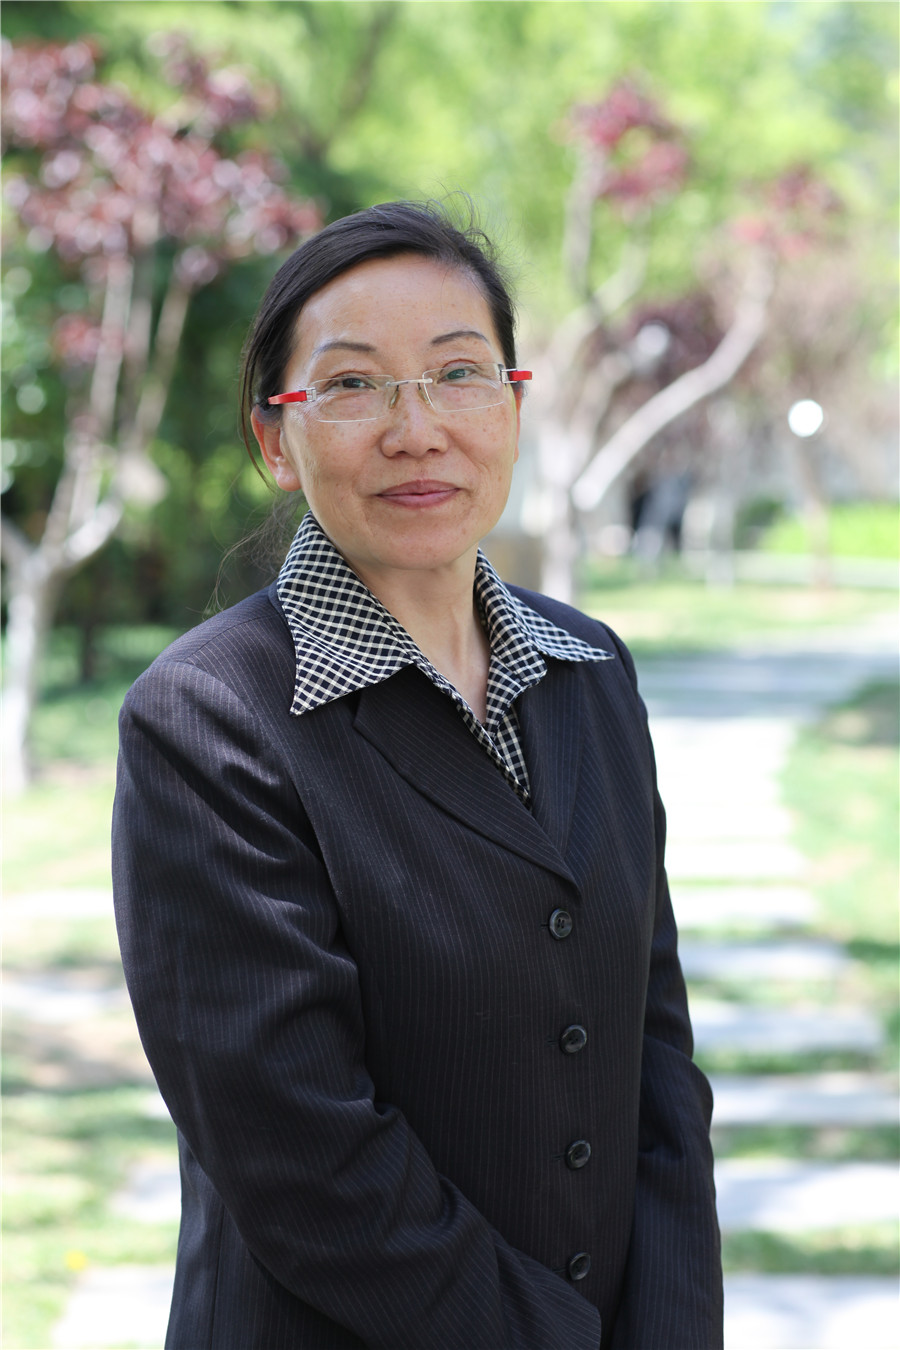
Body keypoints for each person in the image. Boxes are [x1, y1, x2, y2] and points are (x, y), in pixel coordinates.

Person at [112, 200, 722, 1350]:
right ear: (275, 441)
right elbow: (304, 1157)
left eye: (459, 374)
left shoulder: (590, 670)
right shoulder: (210, 719)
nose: (419, 429)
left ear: (514, 407)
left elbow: (654, 1057)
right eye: (352, 385)